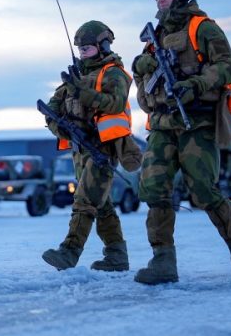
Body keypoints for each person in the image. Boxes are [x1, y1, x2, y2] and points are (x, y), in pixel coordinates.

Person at [131, 0, 231, 284]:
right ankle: (163, 261)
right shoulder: (155, 36)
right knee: (153, 187)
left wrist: (197, 84)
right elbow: (143, 79)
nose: (159, 0)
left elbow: (230, 67)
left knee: (202, 188)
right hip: (161, 124)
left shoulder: (203, 28)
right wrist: (143, 65)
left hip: (197, 122)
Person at [42, 20, 143, 272]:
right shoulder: (76, 75)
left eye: (87, 48)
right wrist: (60, 127)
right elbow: (53, 107)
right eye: (80, 49)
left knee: (85, 200)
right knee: (103, 204)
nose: (82, 53)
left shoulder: (114, 73)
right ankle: (117, 256)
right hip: (80, 149)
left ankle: (69, 252)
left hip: (104, 148)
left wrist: (81, 92)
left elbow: (115, 103)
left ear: (103, 45)